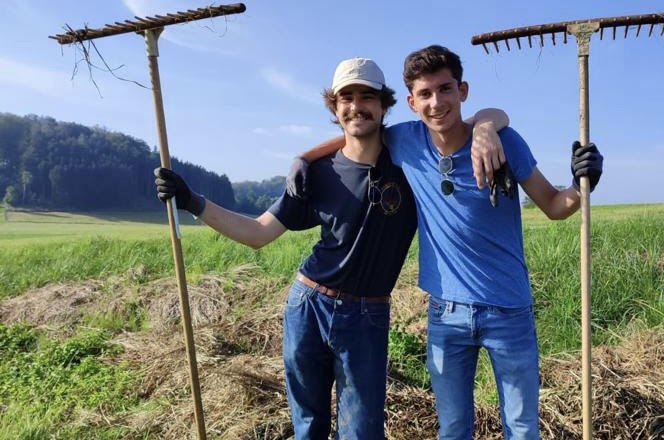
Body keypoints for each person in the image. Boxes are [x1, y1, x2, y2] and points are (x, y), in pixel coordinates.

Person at [154, 56, 509, 440]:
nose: (357, 106)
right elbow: (258, 232)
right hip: (308, 306)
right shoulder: (316, 175)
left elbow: (483, 117)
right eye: (347, 98)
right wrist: (193, 201)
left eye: (367, 97)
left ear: (385, 104)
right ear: (335, 107)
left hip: (367, 317)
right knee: (309, 427)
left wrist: (486, 126)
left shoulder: (409, 160)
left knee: (362, 432)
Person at [288, 45, 604, 440]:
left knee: (522, 428)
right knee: (453, 429)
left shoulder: (504, 142)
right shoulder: (405, 141)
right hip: (446, 315)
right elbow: (358, 133)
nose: (436, 102)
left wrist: (580, 183)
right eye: (425, 94)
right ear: (410, 102)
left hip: (509, 312)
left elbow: (555, 206)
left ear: (463, 91)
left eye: (445, 89)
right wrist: (304, 156)